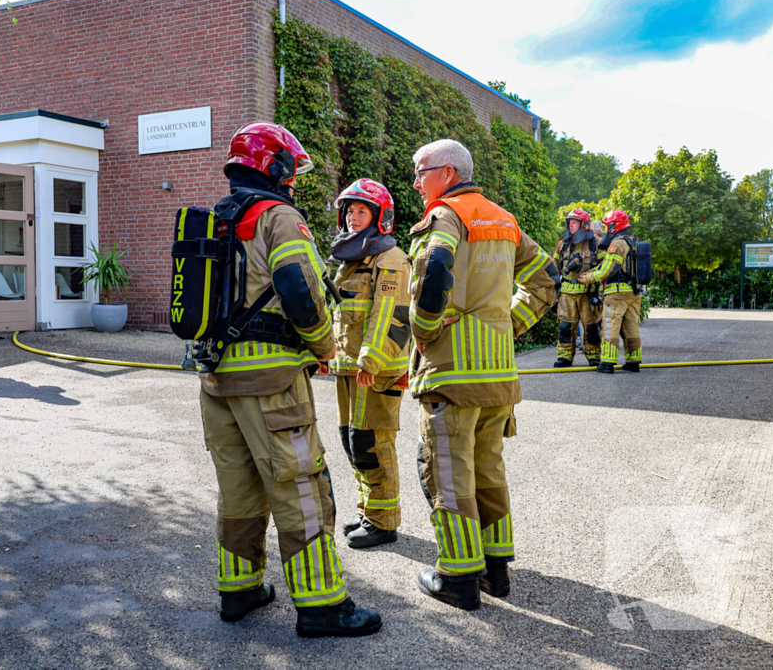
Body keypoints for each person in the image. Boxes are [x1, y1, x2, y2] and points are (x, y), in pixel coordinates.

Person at [198, 122, 382, 637]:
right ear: (273, 167)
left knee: (238, 490)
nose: (294, 181)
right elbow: (301, 290)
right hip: (272, 380)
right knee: (300, 487)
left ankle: (239, 591)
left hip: (216, 378)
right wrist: (324, 346)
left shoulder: (216, 218)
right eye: (290, 169)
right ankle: (323, 605)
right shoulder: (279, 217)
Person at [408, 139, 559, 610]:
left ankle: (457, 578)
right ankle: (496, 571)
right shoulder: (503, 218)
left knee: (449, 476)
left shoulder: (446, 216)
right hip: (498, 375)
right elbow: (546, 280)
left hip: (453, 375)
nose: (416, 182)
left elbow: (435, 269)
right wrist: (506, 324)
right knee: (488, 471)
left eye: (421, 171)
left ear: (448, 173)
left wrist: (424, 330)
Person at [323, 178, 412, 549]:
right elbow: (339, 312)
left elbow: (389, 316)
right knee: (352, 442)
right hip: (349, 370)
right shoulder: (349, 258)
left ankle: (383, 522)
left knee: (373, 444)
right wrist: (326, 354)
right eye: (350, 211)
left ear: (380, 217)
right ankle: (368, 512)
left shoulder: (390, 258)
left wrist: (370, 361)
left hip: (375, 372)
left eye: (362, 211)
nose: (354, 217)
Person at [578, 209, 642, 374]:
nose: (606, 231)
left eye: (608, 227)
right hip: (633, 293)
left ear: (614, 226)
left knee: (609, 326)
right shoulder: (633, 241)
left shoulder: (617, 244)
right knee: (631, 327)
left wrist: (587, 278)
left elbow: (608, 269)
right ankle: (633, 361)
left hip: (616, 294)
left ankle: (607, 362)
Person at [553, 208, 602, 368]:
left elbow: (604, 266)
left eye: (574, 223)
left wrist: (591, 276)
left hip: (587, 294)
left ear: (584, 224)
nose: (571, 226)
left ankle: (594, 356)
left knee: (591, 326)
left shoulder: (595, 245)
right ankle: (565, 357)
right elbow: (555, 268)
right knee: (566, 326)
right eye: (569, 223)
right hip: (567, 294)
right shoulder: (563, 245)